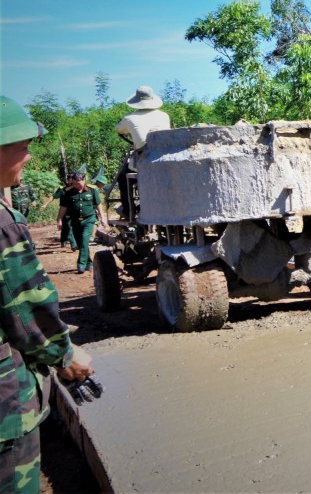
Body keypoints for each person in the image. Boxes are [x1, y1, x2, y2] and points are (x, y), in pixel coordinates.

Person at [0, 96, 100, 493]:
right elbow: (25, 308)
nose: (27, 155)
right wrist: (64, 355)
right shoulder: (4, 225)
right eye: (21, 146)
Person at [115, 86, 171, 217]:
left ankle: (129, 211)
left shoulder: (129, 118)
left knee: (123, 178)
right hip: (165, 157)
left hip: (144, 158)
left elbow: (119, 129)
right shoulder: (164, 116)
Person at [56, 173, 108, 274]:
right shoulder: (68, 192)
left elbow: (98, 205)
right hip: (75, 221)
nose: (76, 185)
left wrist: (102, 218)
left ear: (84, 180)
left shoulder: (92, 190)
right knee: (81, 243)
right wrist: (59, 219)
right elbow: (63, 207)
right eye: (74, 183)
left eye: (78, 183)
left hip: (89, 220)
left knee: (85, 239)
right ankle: (89, 263)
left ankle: (81, 264)